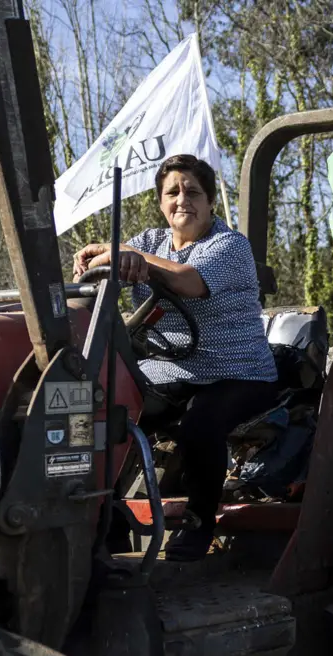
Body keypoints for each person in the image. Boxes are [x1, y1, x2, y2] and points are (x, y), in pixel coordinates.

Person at [73, 154, 279, 560]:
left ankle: (201, 525)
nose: (182, 199)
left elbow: (189, 281)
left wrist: (127, 257)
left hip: (237, 372)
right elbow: (108, 268)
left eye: (192, 191)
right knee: (106, 413)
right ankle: (106, 523)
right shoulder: (150, 242)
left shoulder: (229, 246)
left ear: (209, 202)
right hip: (168, 369)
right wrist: (95, 260)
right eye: (172, 192)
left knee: (201, 425)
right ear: (161, 202)